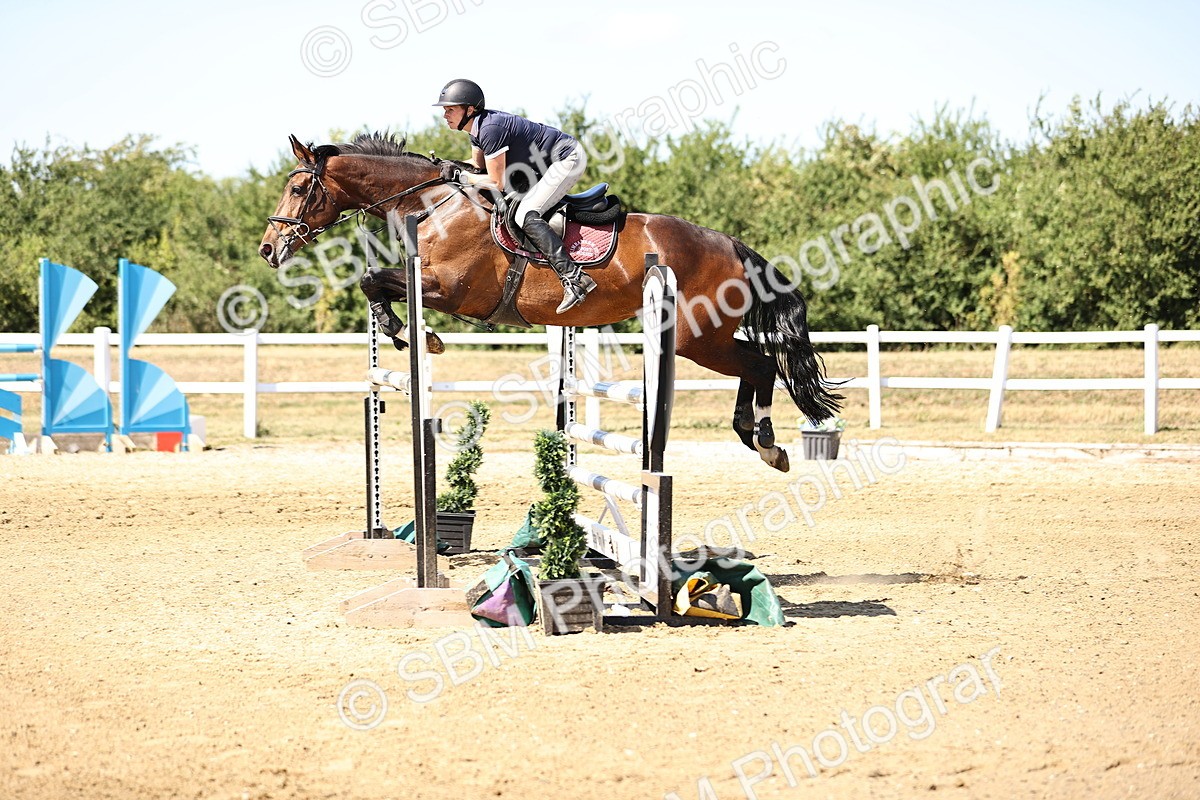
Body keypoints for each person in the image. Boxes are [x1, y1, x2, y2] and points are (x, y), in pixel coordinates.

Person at [433, 78, 596, 314]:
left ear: (470, 110)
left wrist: (462, 177)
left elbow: (495, 182)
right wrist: (450, 166)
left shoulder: (490, 130)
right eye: (445, 110)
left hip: (567, 158)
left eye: (450, 109)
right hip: (544, 165)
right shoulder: (477, 129)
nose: (445, 115)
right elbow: (478, 166)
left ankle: (575, 279)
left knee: (526, 214)